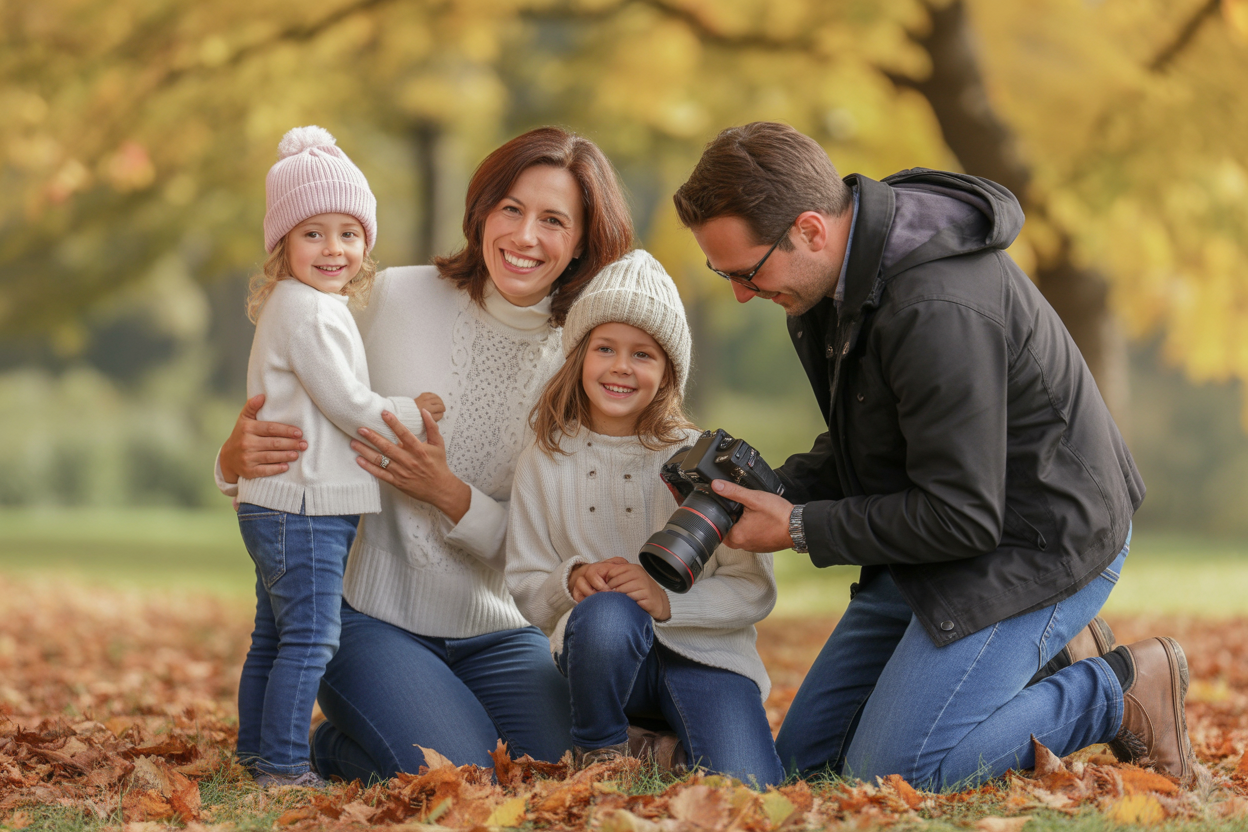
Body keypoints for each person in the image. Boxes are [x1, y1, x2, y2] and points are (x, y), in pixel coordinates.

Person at [671, 121, 1197, 789]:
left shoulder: (936, 307)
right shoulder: (824, 289)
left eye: (747, 271)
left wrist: (798, 527)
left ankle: (1118, 688)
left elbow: (965, 516)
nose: (743, 292)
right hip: (932, 544)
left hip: (1038, 542)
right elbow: (872, 442)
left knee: (896, 771)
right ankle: (1048, 658)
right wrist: (756, 491)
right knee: (806, 769)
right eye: (725, 274)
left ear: (810, 229)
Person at [216, 126, 634, 781]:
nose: (525, 237)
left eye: (553, 220)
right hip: (367, 617)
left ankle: (383, 734)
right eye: (511, 210)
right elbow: (288, 378)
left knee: (554, 773)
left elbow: (559, 551)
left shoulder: (591, 361)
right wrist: (231, 459)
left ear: (583, 239)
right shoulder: (388, 295)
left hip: (499, 629)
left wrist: (449, 494)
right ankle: (341, 742)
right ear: (482, 212)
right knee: (464, 779)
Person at [505, 250, 783, 787]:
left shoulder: (702, 460)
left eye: (643, 355)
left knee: (748, 786)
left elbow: (754, 589)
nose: (621, 367)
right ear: (579, 355)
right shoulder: (546, 459)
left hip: (708, 660)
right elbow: (524, 585)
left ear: (668, 371)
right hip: (603, 664)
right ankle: (601, 750)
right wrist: (570, 582)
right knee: (609, 614)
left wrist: (669, 599)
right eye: (605, 348)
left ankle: (660, 752)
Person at [232, 126, 443, 787]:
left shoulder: (296, 306)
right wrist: (415, 412)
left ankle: (257, 753)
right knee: (311, 640)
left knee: (272, 636)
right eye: (313, 233)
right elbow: (349, 405)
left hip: (277, 503)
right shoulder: (311, 314)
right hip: (303, 508)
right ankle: (286, 767)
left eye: (348, 233)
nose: (334, 249)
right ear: (283, 244)